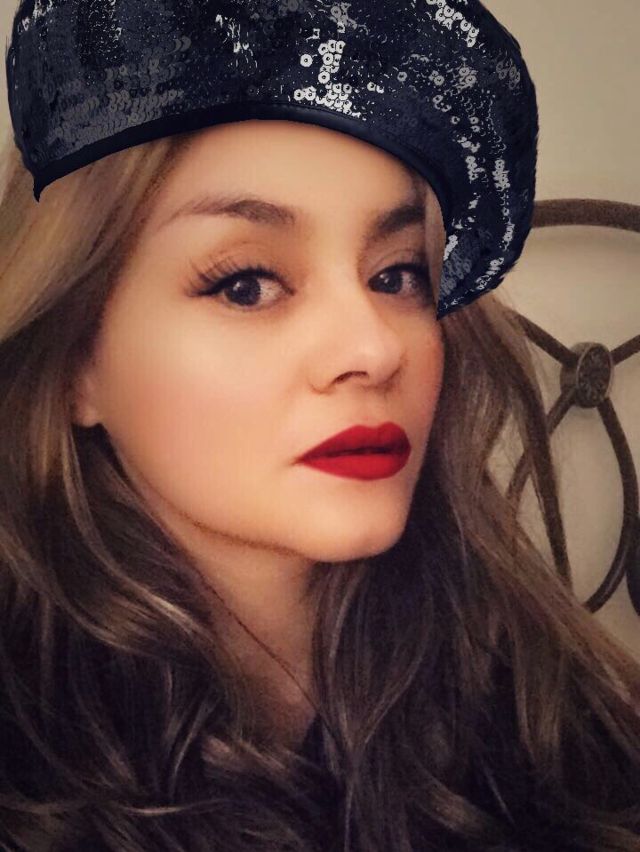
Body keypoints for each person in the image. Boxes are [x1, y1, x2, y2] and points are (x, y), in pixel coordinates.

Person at [1, 4, 640, 851]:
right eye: (247, 284)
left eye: (398, 275)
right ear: (76, 362)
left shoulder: (534, 687)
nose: (375, 348)